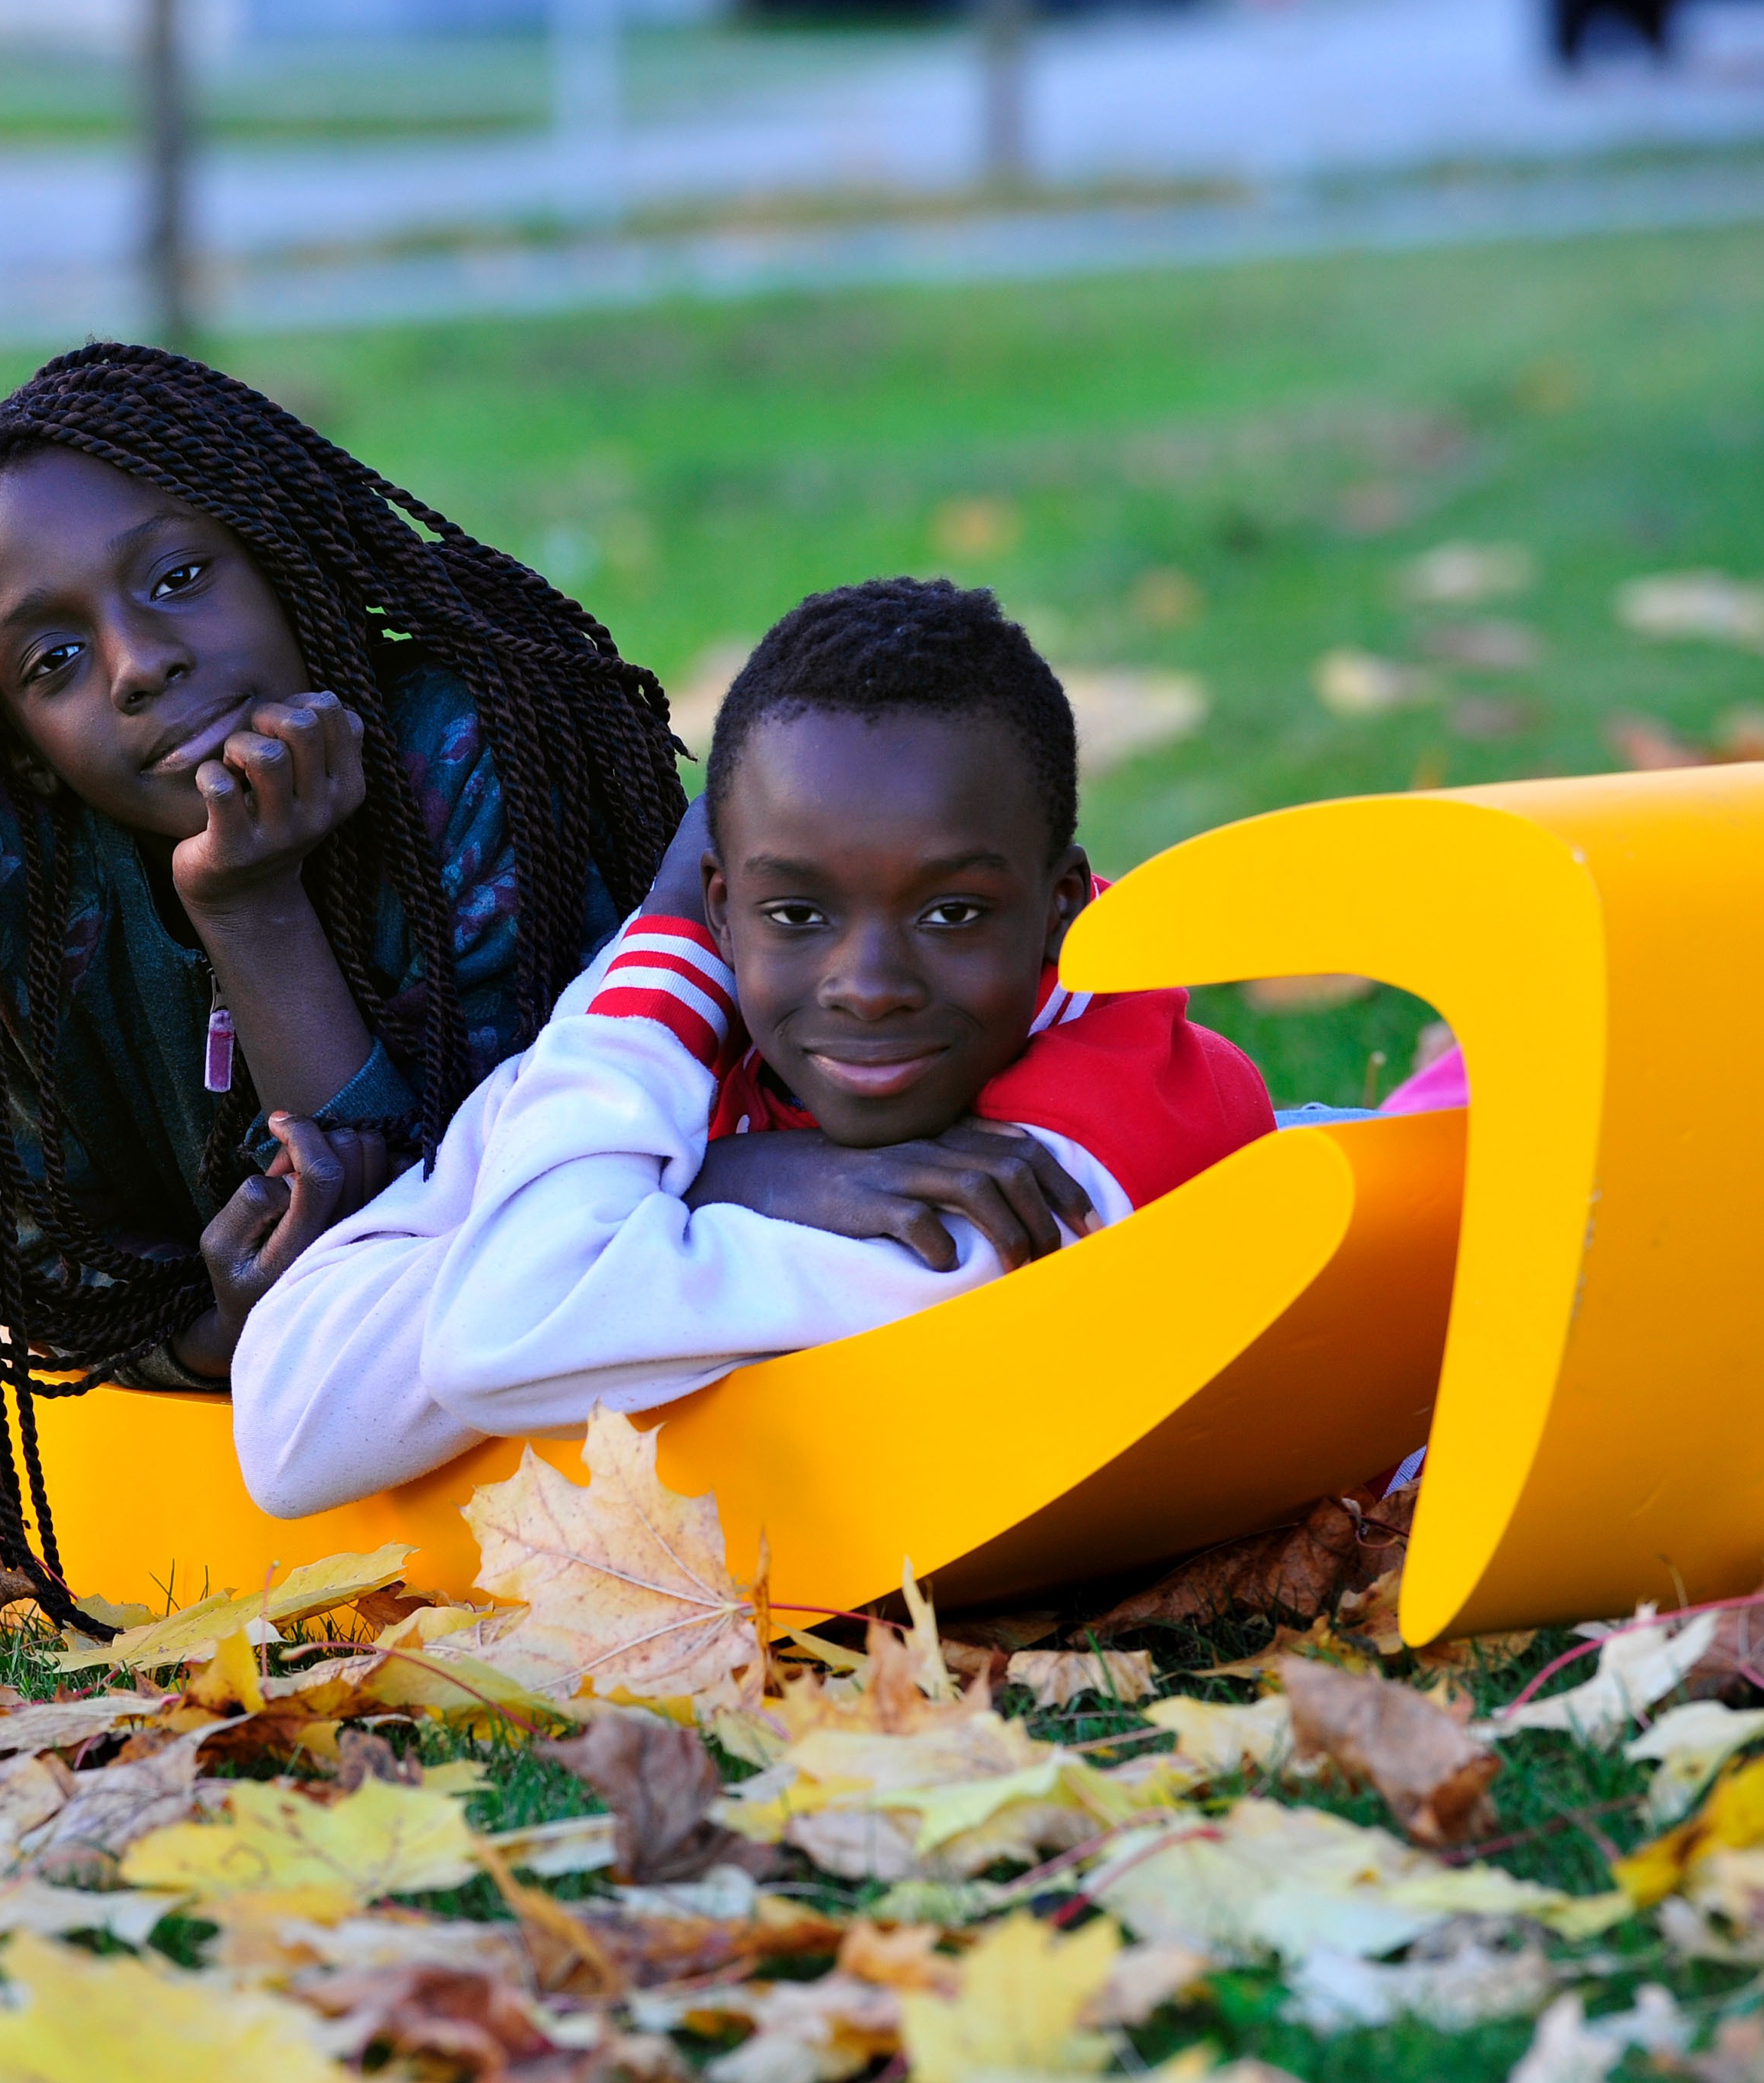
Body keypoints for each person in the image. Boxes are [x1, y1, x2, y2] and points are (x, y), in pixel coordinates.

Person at [0, 343, 687, 1614]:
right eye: (53, 662)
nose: (139, 662)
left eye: (179, 579)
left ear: (283, 560)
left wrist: (254, 914)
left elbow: (504, 1226)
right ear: (23, 750)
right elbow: (57, 1277)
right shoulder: (20, 893)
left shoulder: (474, 755)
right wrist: (220, 1327)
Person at [215, 579, 1279, 1516]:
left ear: (1060, 909)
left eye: (952, 913)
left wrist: (659, 1165)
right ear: (722, 912)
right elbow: (288, 1425)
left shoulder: (1058, 1170)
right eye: (798, 913)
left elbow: (500, 1332)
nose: (867, 986)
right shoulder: (714, 1028)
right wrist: (743, 1172)